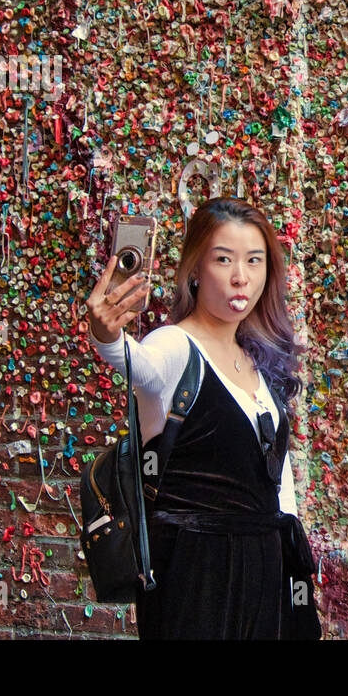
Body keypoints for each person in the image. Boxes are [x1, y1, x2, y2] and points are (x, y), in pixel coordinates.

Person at [83, 195, 315, 639]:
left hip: (265, 568)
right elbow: (140, 366)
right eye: (223, 260)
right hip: (196, 575)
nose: (240, 278)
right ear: (194, 269)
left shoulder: (256, 357)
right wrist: (106, 333)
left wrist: (292, 563)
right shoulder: (174, 345)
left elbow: (277, 479)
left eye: (254, 260)